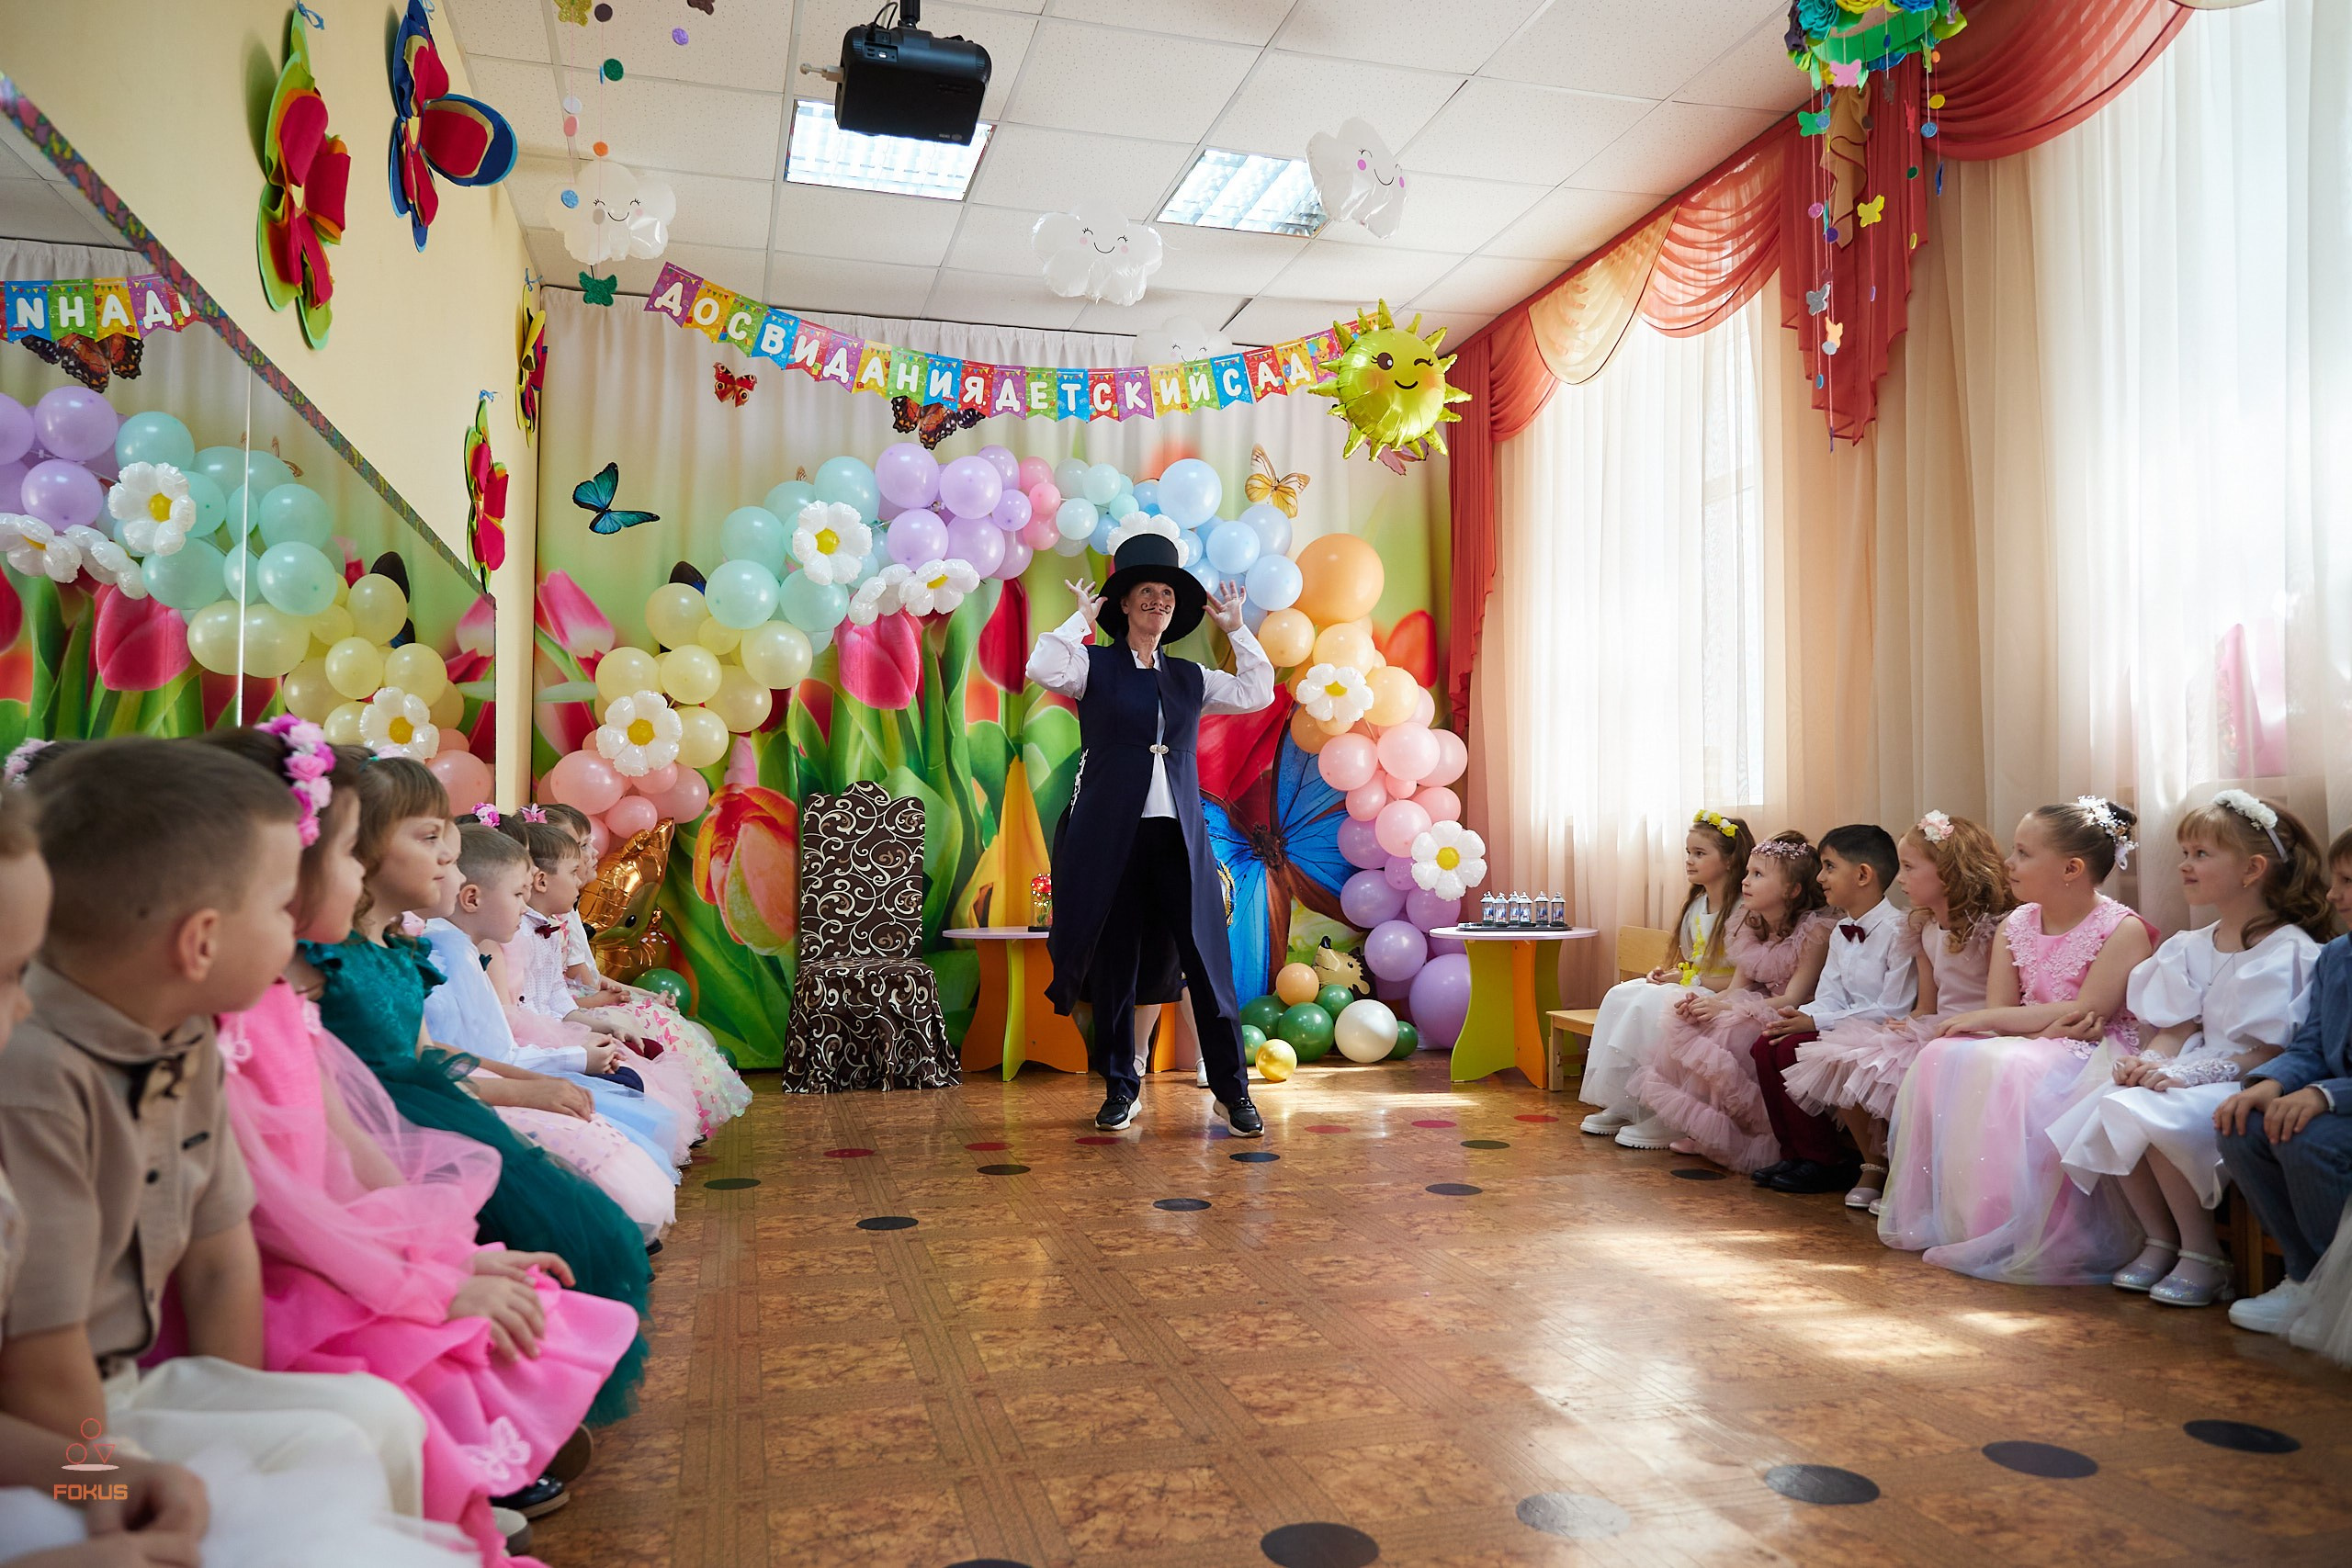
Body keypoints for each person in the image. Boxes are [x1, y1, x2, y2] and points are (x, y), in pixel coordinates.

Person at [0, 739, 464, 1563]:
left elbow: (221, 1257)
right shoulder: (38, 1078)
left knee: (374, 1418)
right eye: (281, 905)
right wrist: (106, 1486)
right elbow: (44, 1360)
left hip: (112, 1398)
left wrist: (242, 1411)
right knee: (302, 1470)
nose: (296, 927)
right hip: (64, 1423)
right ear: (202, 941)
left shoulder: (185, 1037)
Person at [202, 723, 639, 1557]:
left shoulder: (287, 1000)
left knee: (510, 1275)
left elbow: (352, 1146)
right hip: (302, 1255)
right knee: (410, 1344)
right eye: (347, 854)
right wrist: (426, 1275)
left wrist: (440, 1255)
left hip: (375, 1172)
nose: (360, 871)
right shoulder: (253, 1013)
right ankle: (469, 1461)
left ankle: (494, 1444)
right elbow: (281, 1210)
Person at [298, 758, 651, 1422]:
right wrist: (524, 1090)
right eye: (430, 838)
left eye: (450, 844)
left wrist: (531, 1085)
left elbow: (427, 1053)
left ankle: (530, 1401)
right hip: (374, 1126)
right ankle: (494, 1412)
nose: (447, 861)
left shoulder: (398, 951)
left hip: (429, 1101)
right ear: (361, 850)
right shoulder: (318, 958)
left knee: (572, 1237)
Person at [1024, 527, 1275, 1135]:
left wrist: (1237, 629)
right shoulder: (1093, 665)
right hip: (1111, 837)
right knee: (1118, 964)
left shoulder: (1190, 676)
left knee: (1207, 960)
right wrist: (1079, 622)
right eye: (1146, 593)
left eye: (1167, 594)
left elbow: (1256, 690)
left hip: (1178, 837)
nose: (1158, 602)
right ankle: (1121, 1088)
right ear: (1124, 604)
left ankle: (1233, 1092)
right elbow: (1041, 664)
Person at [2050, 793, 2328, 1307]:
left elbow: (2271, 1050)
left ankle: (2204, 1253)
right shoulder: (2191, 945)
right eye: (2184, 853)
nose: (2185, 865)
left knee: (2162, 1113)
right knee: (2114, 1103)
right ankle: (2161, 1238)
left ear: (2252, 869)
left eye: (2201, 854)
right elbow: (2175, 1030)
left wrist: (2190, 1076)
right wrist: (2151, 1061)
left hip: (2250, 1075)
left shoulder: (2290, 950)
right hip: (2193, 1063)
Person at [1878, 798, 2156, 1283]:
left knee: (2017, 1067)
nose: (2009, 862)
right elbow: (2003, 1010)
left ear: (2071, 869)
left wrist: (1998, 1021)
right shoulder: (2016, 923)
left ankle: (2043, 1228)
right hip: (2036, 1037)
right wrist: (2025, 1025)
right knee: (1941, 1054)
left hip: (2093, 1049)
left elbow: (2087, 1012)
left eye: (2024, 853)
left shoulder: (2122, 929)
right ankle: (1973, 1219)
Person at [1784, 812, 2013, 1214]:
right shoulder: (1921, 926)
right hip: (1937, 1023)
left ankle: (1928, 1177)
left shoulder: (1996, 928)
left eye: (1909, 867)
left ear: (1948, 872)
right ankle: (1875, 1164)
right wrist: (1909, 1023)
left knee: (1923, 1064)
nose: (1900, 878)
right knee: (1843, 1055)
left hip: (1984, 1027)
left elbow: (1999, 1006)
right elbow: (1927, 1005)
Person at [433, 823, 694, 1172]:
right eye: (518, 894)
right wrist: (574, 1060)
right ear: (472, 898)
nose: (525, 906)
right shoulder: (455, 954)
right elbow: (495, 1050)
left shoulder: (465, 948)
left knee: (630, 1078)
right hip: (495, 1075)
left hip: (517, 1059)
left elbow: (552, 1001)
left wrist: (592, 1039)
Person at [503, 811, 749, 1139]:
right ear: (541, 880)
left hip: (561, 1027)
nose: (580, 879)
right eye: (573, 871)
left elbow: (559, 1001)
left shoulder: (547, 929)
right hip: (539, 1040)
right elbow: (529, 1010)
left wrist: (608, 1027)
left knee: (636, 1057)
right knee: (630, 1074)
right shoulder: (516, 936)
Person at [1627, 834, 1836, 1173]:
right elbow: (1737, 988)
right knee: (1698, 1023)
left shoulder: (1814, 932)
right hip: (1754, 1004)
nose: (1745, 881)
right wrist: (1703, 1003)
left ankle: (1747, 1135)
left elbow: (1793, 998)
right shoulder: (1748, 923)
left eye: (1758, 875)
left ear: (1792, 890)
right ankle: (1705, 1128)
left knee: (1731, 1033)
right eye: (1748, 872)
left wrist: (1725, 1009)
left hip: (1790, 1011)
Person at [2220, 825, 2352, 1335]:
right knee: (2242, 1125)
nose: (2333, 895)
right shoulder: (2337, 956)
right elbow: (2313, 1044)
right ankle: (2305, 1276)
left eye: (2348, 882)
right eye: (2334, 880)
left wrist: (2323, 1095)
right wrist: (2270, 1083)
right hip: (2337, 1102)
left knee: (2307, 1139)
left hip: (2341, 1107)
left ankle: (2335, 1290)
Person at [1749, 824, 1918, 1196]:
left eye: (1829, 867)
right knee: (1767, 1044)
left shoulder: (1898, 930)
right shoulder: (1842, 929)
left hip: (1882, 1029)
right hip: (1841, 1021)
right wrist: (1802, 1016)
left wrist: (1814, 1020)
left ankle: (1823, 1159)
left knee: (1794, 1048)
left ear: (1863, 875)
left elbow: (1892, 1007)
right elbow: (1830, 994)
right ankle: (1793, 1153)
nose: (1820, 877)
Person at [1578, 812, 1751, 1147]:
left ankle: (1669, 1111)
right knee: (1621, 994)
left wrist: (1691, 981)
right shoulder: (1697, 905)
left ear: (1730, 860)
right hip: (1701, 985)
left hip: (1728, 993)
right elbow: (1694, 964)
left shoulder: (1743, 910)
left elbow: (1741, 978)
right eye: (1688, 852)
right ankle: (1630, 1101)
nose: (1689, 860)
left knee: (1657, 1003)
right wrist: (1675, 974)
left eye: (1700, 853)